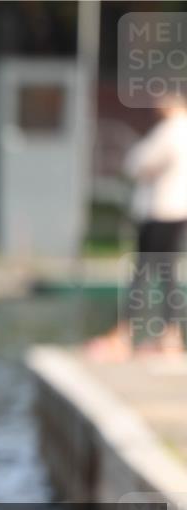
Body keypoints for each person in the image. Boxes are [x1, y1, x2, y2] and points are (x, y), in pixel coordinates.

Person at [86, 94, 187, 360]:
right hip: (176, 212)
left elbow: (136, 163)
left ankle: (123, 335)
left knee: (142, 275)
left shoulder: (171, 130)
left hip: (160, 212)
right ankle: (170, 337)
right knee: (167, 276)